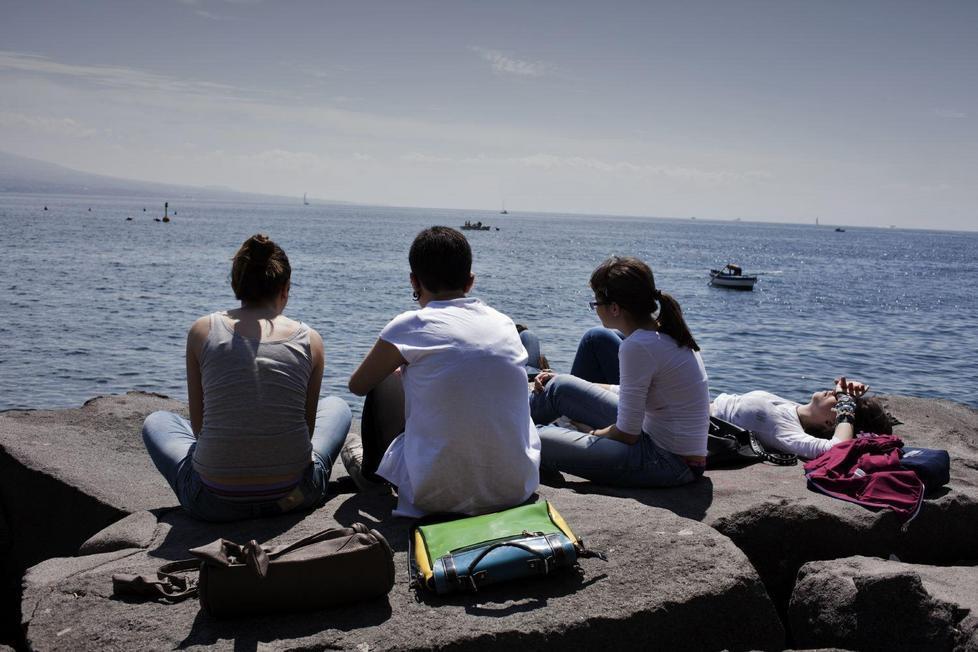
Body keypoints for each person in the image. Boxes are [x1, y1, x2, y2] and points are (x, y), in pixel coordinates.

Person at [141, 234, 351, 522]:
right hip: (293, 498)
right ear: (285, 289)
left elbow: (199, 429)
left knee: (157, 421)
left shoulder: (202, 331)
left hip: (213, 503)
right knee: (338, 406)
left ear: (235, 284)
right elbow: (307, 429)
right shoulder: (310, 340)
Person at [347, 226, 540, 518]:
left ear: (414, 280)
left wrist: (401, 365)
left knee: (384, 377)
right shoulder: (503, 323)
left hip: (434, 496)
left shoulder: (408, 326)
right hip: (515, 488)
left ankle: (371, 474)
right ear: (470, 281)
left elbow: (358, 385)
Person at [530, 256, 710, 487]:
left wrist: (590, 434)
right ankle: (509, 420)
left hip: (668, 462)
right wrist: (572, 381)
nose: (595, 309)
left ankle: (504, 431)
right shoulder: (664, 332)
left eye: (596, 303)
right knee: (560, 386)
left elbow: (627, 433)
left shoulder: (638, 346)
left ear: (614, 308)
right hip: (655, 439)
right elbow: (630, 394)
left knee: (532, 437)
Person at [711, 377, 895, 459]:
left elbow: (837, 448)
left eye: (839, 400)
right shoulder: (795, 409)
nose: (837, 393)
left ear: (832, 422)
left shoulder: (786, 431)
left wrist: (847, 405)